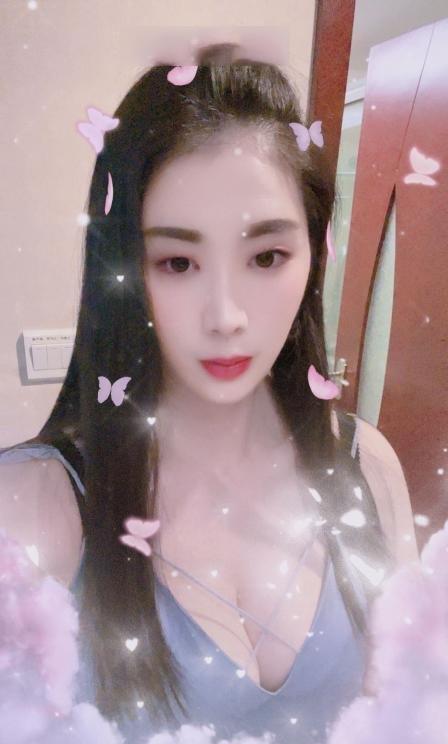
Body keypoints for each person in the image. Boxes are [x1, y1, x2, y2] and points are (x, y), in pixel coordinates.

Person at [0, 42, 419, 744]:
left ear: (313, 252)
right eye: (177, 262)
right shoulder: (29, 511)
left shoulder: (367, 467)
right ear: (123, 268)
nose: (226, 315)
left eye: (266, 256)